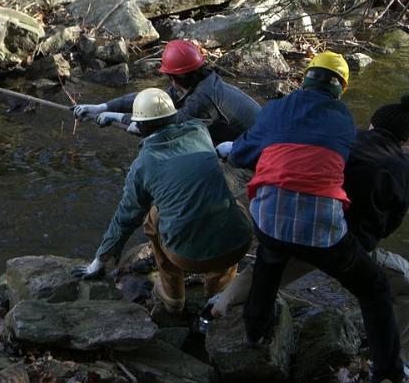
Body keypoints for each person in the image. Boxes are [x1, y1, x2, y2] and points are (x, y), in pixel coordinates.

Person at [216, 51, 405, 383]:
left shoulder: (275, 109)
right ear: (341, 88)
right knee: (373, 288)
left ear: (305, 77)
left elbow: (243, 155)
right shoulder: (345, 121)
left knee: (270, 259)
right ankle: (388, 371)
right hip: (325, 229)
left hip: (268, 218)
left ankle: (252, 331)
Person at [72, 88, 252, 313]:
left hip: (188, 257)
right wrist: (126, 121)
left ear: (140, 126)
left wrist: (100, 261)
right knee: (231, 204)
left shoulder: (143, 165)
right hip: (238, 244)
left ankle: (172, 295)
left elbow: (125, 218)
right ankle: (217, 286)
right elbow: (173, 128)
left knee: (152, 216)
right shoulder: (200, 131)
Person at [72, 40, 261, 143]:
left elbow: (166, 126)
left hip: (259, 149)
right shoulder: (200, 82)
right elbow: (149, 101)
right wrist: (101, 107)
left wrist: (116, 117)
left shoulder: (203, 99)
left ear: (175, 76)